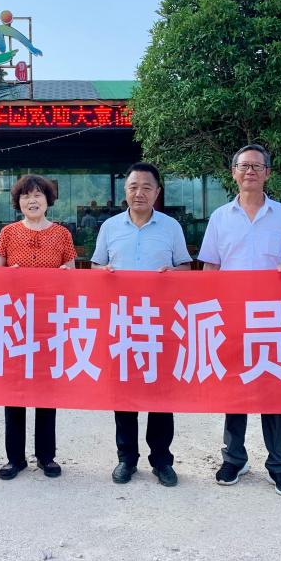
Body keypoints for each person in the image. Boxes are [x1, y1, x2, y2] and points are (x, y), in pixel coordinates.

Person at [197, 144, 281, 496]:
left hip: (272, 319)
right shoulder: (220, 217)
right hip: (232, 317)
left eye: (257, 166)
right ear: (233, 173)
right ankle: (234, 458)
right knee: (235, 389)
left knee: (273, 391)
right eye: (244, 166)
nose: (250, 171)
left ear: (267, 173)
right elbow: (211, 267)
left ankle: (280, 465)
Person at [91, 162, 191, 487]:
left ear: (157, 192)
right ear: (125, 191)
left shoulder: (171, 227)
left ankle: (162, 460)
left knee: (161, 393)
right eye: (133, 186)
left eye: (147, 187)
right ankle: (126, 459)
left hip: (159, 323)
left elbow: (186, 268)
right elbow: (95, 267)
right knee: (124, 392)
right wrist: (104, 273)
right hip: (121, 321)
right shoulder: (110, 227)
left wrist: (172, 274)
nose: (139, 193)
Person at [0, 174, 76, 480]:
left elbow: (72, 274)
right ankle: (14, 458)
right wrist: (9, 277)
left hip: (50, 323)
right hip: (15, 322)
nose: (32, 200)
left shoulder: (62, 234)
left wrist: (65, 274)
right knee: (14, 391)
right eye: (26, 195)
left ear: (48, 200)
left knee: (46, 390)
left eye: (38, 194)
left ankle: (46, 456)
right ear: (18, 202)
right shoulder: (8, 233)